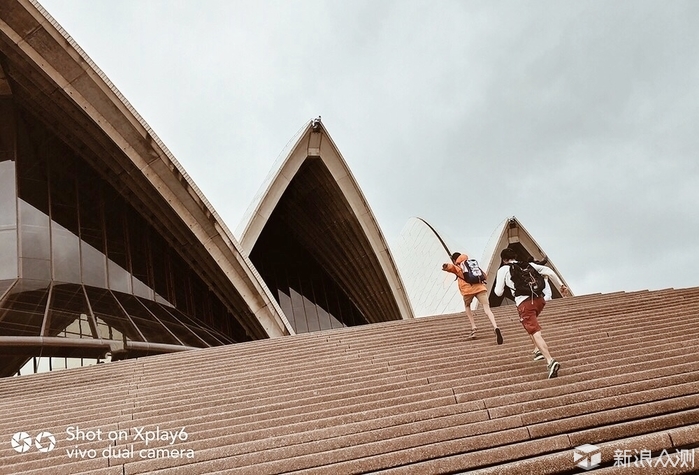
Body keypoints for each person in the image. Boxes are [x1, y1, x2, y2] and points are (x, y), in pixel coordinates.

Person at [493, 247, 569, 378]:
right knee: (528, 324)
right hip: (539, 300)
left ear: (504, 259)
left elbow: (498, 292)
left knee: (535, 331)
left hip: (524, 303)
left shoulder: (504, 270)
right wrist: (561, 285)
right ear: (515, 256)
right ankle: (536, 349)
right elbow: (549, 271)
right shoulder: (528, 265)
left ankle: (550, 361)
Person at [442, 252, 503, 344]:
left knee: (467, 307)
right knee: (487, 309)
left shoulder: (459, 266)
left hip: (468, 291)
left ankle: (474, 327)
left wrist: (446, 266)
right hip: (480, 288)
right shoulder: (472, 264)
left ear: (454, 260)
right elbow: (484, 276)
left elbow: (452, 268)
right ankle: (495, 327)